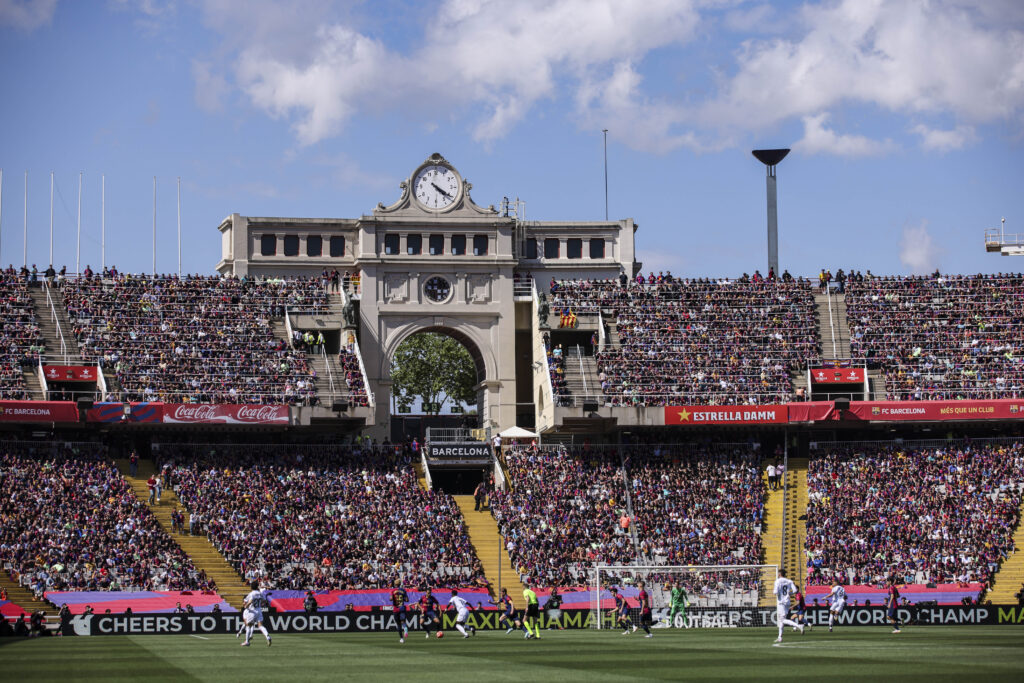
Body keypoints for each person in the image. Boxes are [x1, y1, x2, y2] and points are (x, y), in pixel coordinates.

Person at [773, 569, 804, 643]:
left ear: (780, 574)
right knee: (782, 620)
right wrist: (788, 594)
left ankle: (798, 626)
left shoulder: (777, 581)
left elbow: (775, 592)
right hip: (787, 602)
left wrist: (778, 593)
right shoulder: (789, 581)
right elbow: (795, 591)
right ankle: (780, 637)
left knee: (782, 620)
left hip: (781, 602)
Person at [240, 580, 271, 647]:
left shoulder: (251, 594)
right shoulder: (260, 593)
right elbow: (264, 601)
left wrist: (246, 606)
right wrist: (260, 604)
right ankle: (267, 636)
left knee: (248, 626)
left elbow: (249, 601)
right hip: (259, 610)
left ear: (251, 587)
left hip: (252, 611)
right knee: (260, 625)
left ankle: (247, 642)